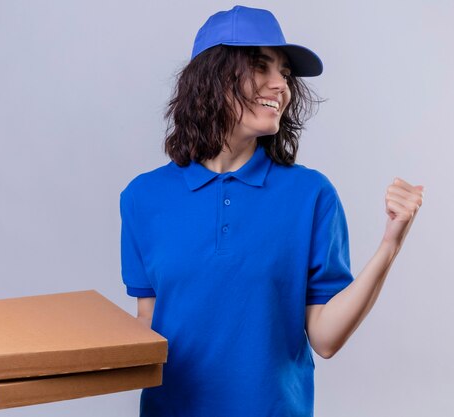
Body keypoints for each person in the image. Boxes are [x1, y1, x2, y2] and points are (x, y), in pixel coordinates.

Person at [119, 5, 424, 417]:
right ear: (210, 77)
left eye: (284, 72)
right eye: (261, 66)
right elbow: (149, 322)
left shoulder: (310, 195)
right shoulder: (143, 197)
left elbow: (325, 338)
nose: (280, 84)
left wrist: (390, 244)